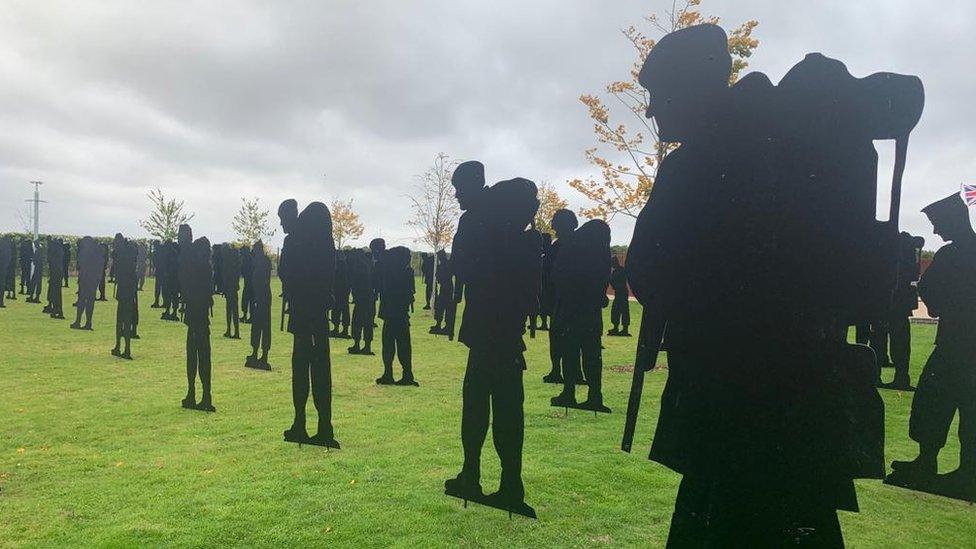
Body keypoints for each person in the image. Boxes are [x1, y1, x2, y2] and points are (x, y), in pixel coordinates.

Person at [627, 24, 921, 546]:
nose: (652, 110)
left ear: (692, 87)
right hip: (798, 396)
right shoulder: (787, 142)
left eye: (658, 94)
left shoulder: (703, 160)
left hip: (733, 398)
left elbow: (652, 270)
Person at [444, 161, 541, 518]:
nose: (455, 195)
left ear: (473, 183)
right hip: (509, 325)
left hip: (486, 323)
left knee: (476, 403)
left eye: (458, 187)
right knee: (508, 406)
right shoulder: (513, 222)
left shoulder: (474, 220)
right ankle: (510, 483)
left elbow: (463, 268)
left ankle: (472, 474)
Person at [890, 193, 976, 495]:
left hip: (958, 343)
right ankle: (963, 469)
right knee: (960, 405)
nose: (936, 231)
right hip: (963, 341)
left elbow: (932, 293)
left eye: (937, 224)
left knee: (935, 400)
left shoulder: (953, 254)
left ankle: (932, 463)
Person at [280, 200, 339, 448]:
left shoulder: (296, 241)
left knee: (304, 369)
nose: (282, 223)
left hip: (305, 312)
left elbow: (285, 272)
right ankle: (318, 424)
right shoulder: (319, 241)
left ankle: (307, 423)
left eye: (283, 218)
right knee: (317, 368)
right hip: (314, 312)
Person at [550, 220, 612, 413]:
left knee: (570, 350)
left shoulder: (571, 248)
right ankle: (595, 394)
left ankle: (569, 392)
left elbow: (556, 275)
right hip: (590, 310)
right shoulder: (601, 254)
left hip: (570, 308)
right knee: (592, 352)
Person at [878, 232, 925, 390]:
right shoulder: (909, 254)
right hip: (899, 303)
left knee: (885, 339)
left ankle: (882, 376)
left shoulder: (894, 254)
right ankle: (900, 377)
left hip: (890, 302)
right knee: (900, 342)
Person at [541, 209, 581, 385]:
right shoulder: (575, 245)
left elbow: (547, 273)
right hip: (566, 299)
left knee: (559, 336)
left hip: (561, 299)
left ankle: (560, 370)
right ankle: (565, 370)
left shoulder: (558, 247)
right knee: (568, 337)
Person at [180, 228, 216, 412]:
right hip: (201, 315)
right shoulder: (206, 267)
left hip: (195, 314)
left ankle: (194, 393)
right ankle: (204, 394)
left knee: (193, 356)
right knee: (203, 355)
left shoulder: (195, 265)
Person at [376, 245, 417, 386]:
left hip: (394, 312)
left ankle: (394, 373)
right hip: (399, 312)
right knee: (401, 344)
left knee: (391, 344)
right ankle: (404, 374)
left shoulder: (393, 270)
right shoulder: (404, 271)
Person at [245, 240, 273, 370]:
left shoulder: (262, 263)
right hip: (260, 297)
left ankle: (263, 355)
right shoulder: (260, 262)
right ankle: (256, 353)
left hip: (262, 298)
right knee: (257, 327)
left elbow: (260, 281)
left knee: (262, 327)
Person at [111, 235, 138, 359]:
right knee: (125, 321)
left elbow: (118, 271)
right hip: (129, 290)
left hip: (124, 291)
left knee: (121, 321)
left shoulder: (121, 256)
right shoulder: (129, 254)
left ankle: (122, 347)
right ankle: (123, 347)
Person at [71, 236, 105, 330]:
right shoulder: (98, 252)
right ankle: (87, 323)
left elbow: (80, 265)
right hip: (92, 280)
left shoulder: (86, 252)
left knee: (82, 300)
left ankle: (79, 321)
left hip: (86, 279)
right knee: (90, 302)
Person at [347, 248, 376, 355]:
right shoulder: (368, 265)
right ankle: (366, 346)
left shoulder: (359, 267)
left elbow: (355, 282)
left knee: (358, 322)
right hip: (368, 298)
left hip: (362, 299)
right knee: (367, 323)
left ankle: (358, 344)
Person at [429, 250, 457, 339]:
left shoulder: (446, 264)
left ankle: (447, 325)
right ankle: (438, 323)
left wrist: (439, 275)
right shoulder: (442, 265)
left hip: (447, 288)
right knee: (440, 306)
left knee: (446, 306)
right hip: (444, 287)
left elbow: (444, 275)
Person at [221, 244, 242, 339]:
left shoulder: (227, 261)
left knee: (230, 309)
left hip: (230, 287)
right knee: (233, 309)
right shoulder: (234, 260)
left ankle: (231, 330)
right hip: (232, 287)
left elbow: (226, 275)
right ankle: (232, 330)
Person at [607, 255, 631, 336]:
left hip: (620, 293)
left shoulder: (616, 272)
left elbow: (614, 285)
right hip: (623, 293)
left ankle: (617, 328)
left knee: (617, 311)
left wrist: (610, 280)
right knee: (624, 311)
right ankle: (624, 329)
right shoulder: (622, 270)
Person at [330, 251, 351, 338]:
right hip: (345, 290)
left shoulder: (336, 266)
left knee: (336, 310)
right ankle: (345, 329)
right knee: (344, 310)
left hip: (338, 290)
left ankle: (336, 328)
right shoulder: (346, 265)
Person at [46, 237, 64, 319]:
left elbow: (52, 263)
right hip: (57, 274)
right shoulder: (58, 250)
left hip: (55, 274)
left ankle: (57, 310)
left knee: (55, 293)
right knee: (56, 293)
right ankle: (57, 309)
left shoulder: (54, 251)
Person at [240, 245, 254, 324]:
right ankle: (245, 315)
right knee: (246, 300)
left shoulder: (248, 259)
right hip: (248, 282)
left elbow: (244, 272)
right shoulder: (247, 259)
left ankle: (250, 316)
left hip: (250, 283)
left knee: (249, 300)